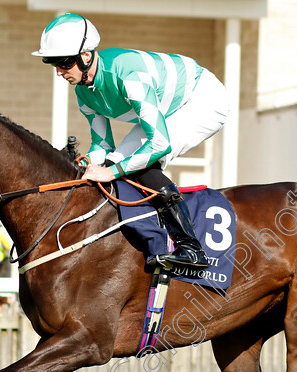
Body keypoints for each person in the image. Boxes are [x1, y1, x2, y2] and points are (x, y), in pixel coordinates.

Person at [32, 13, 229, 269]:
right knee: (118, 161)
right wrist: (87, 162)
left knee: (143, 164)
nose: (59, 72)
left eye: (64, 64)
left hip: (201, 99)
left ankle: (191, 247)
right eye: (53, 64)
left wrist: (111, 171)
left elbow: (159, 144)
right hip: (168, 105)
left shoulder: (128, 76)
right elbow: (103, 146)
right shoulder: (83, 92)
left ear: (86, 56)